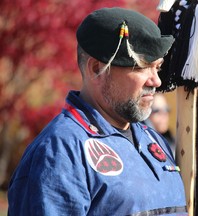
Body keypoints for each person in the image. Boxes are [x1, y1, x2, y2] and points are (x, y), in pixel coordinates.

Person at [7, 7, 188, 215]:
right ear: (96, 69)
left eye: (157, 67)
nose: (156, 80)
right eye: (140, 67)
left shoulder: (153, 139)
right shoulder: (60, 151)